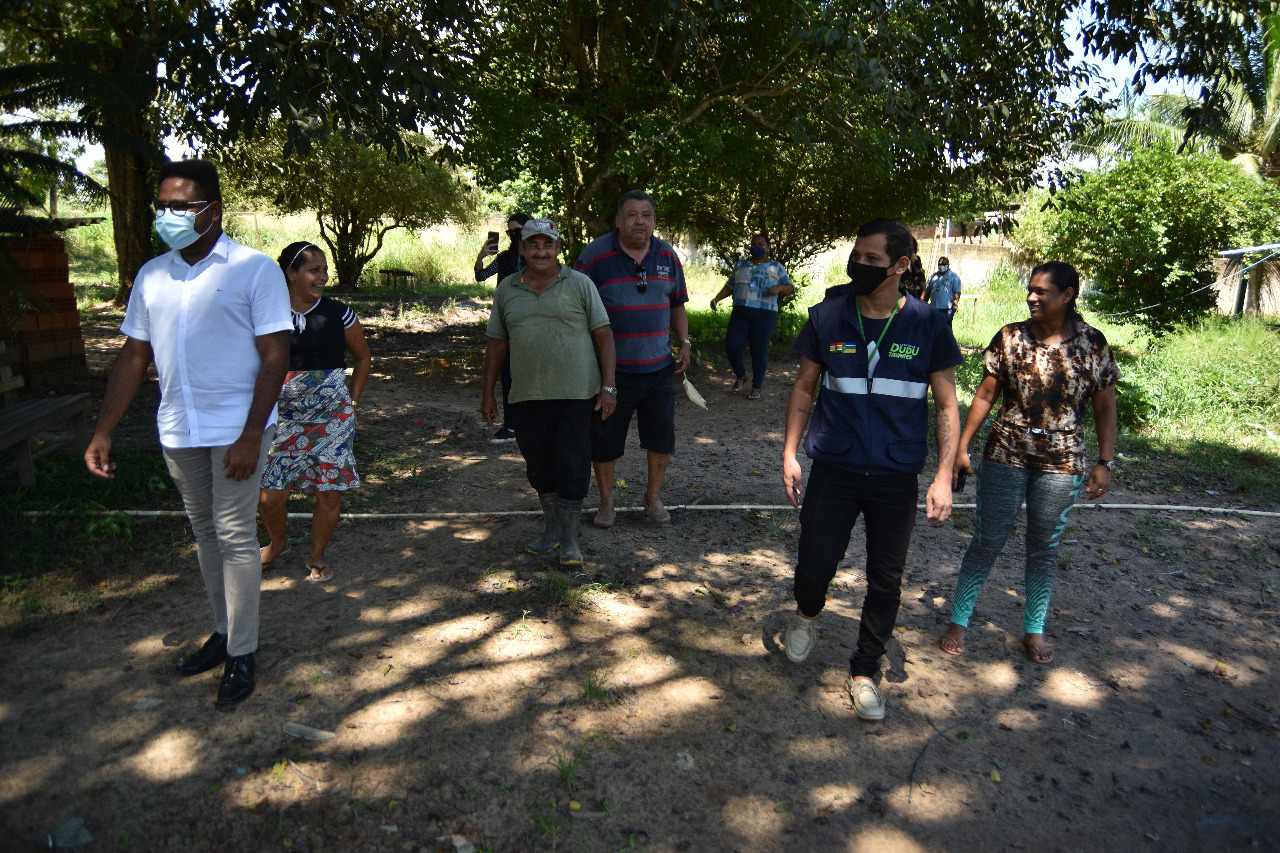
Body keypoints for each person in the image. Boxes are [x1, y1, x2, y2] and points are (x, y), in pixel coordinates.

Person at [84, 159, 291, 707]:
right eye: (162, 207)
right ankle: (224, 634)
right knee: (205, 532)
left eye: (181, 208)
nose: (168, 216)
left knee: (234, 532)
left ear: (213, 211)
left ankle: (243, 652)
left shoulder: (254, 269)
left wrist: (252, 433)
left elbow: (276, 354)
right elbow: (134, 355)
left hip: (237, 428)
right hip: (179, 427)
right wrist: (102, 430)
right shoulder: (153, 274)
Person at [781, 218, 963, 722]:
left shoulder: (928, 323)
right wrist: (790, 452)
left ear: (901, 266)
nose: (858, 266)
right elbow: (804, 388)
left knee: (886, 579)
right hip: (835, 468)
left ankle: (864, 670)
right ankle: (806, 614)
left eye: (872, 260)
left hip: (894, 475)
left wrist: (944, 476)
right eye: (855, 257)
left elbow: (947, 406)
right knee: (815, 565)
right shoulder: (828, 316)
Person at [939, 261, 1119, 665]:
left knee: (1044, 548)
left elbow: (1106, 407)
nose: (1031, 297)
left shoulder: (1093, 344)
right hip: (1006, 455)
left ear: (1068, 295)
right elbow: (985, 396)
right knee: (987, 540)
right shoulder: (1010, 337)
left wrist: (1105, 461)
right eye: (1030, 290)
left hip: (1063, 462)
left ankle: (1034, 629)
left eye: (1042, 291)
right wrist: (961, 448)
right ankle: (959, 620)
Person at [482, 218, 617, 566]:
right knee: (539, 467)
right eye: (533, 245)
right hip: (526, 395)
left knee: (573, 466)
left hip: (577, 395)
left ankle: (571, 541)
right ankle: (552, 532)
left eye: (548, 245)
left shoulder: (580, 284)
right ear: (522, 249)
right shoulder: (507, 289)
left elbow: (604, 335)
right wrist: (488, 393)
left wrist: (608, 386)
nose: (541, 252)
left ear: (558, 248)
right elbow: (496, 345)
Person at [574, 190, 690, 528]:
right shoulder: (594, 257)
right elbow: (576, 308)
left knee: (662, 437)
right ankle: (607, 502)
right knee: (606, 439)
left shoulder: (668, 255)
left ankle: (652, 498)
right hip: (612, 373)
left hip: (658, 370)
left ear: (654, 220)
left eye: (646, 215)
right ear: (618, 220)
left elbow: (677, 304)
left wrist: (684, 342)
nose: (639, 221)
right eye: (631, 214)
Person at [258, 242, 372, 582]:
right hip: (281, 419)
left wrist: (352, 400)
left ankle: (317, 553)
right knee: (270, 496)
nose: (322, 277)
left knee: (329, 491)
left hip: (332, 420)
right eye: (314, 270)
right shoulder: (267, 312)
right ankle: (278, 543)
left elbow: (363, 358)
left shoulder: (339, 313)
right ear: (291, 274)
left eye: (324, 270)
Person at [710, 233, 794, 399]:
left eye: (761, 244)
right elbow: (730, 285)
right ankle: (741, 375)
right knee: (732, 346)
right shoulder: (741, 264)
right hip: (740, 312)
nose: (757, 246)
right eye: (754, 243)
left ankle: (756, 388)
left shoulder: (776, 267)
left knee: (759, 350)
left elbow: (790, 288)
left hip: (765, 314)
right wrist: (717, 298)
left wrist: (780, 288)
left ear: (768, 248)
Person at [475, 212, 532, 443]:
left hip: (531, 324)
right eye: (510, 231)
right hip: (507, 324)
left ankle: (531, 424)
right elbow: (481, 276)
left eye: (518, 230)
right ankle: (510, 426)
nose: (514, 235)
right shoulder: (506, 258)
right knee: (507, 375)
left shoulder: (536, 256)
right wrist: (481, 256)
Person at [924, 256, 962, 324]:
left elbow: (957, 291)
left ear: (948, 265)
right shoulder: (933, 276)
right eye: (940, 264)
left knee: (946, 329)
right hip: (934, 308)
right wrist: (924, 304)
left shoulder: (953, 276)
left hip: (947, 309)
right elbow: (928, 291)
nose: (941, 266)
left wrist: (955, 304)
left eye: (943, 264)